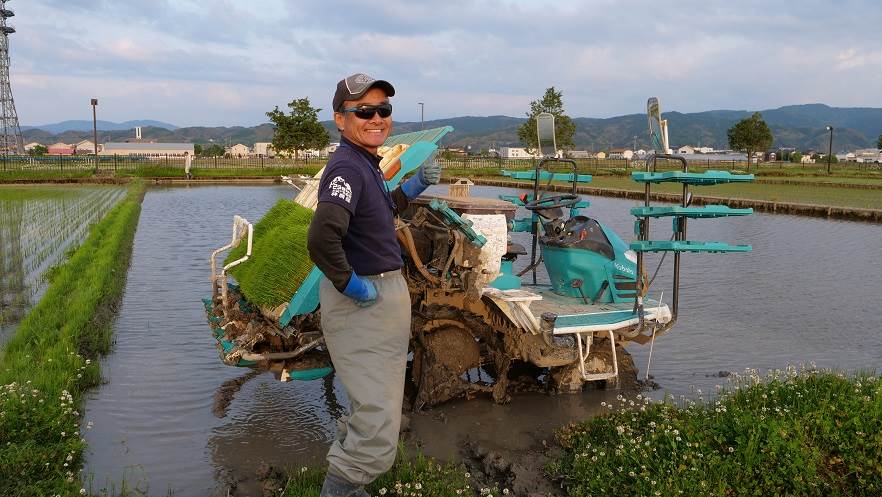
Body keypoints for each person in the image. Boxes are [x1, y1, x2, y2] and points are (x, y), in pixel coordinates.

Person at [307, 73, 441, 497]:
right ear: (339, 120)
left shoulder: (366, 162)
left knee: (370, 409)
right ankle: (341, 488)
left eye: (383, 110)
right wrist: (353, 286)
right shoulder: (347, 166)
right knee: (379, 431)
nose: (376, 117)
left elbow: (381, 209)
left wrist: (414, 186)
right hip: (364, 301)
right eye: (363, 111)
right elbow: (321, 239)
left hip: (379, 298)